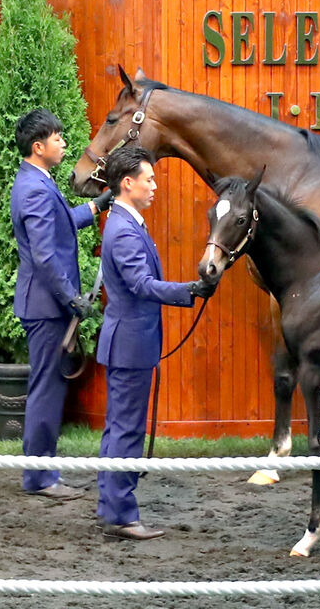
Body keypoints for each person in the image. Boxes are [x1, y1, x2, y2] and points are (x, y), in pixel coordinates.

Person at [96, 146, 213, 541]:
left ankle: (112, 507)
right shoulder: (125, 230)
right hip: (130, 344)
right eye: (148, 179)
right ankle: (122, 516)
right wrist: (191, 291)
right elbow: (141, 286)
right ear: (127, 184)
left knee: (119, 428)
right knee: (126, 430)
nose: (154, 186)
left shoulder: (125, 223)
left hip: (128, 342)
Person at [11, 109, 112, 499]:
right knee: (46, 389)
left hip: (44, 305)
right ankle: (39, 477)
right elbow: (44, 255)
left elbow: (59, 222)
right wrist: (70, 296)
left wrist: (98, 205)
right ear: (39, 147)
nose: (64, 144)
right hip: (47, 307)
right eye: (57, 138)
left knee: (48, 386)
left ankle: (42, 472)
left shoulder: (36, 181)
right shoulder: (35, 188)